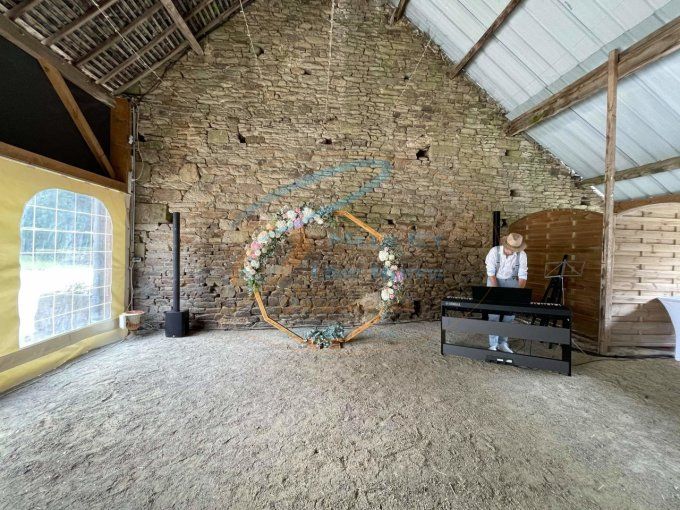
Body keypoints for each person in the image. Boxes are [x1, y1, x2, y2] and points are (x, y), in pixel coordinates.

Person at [484, 233, 528, 353]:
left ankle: (503, 343)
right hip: (495, 280)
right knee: (494, 314)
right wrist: (496, 291)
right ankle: (493, 344)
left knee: (509, 315)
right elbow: (491, 273)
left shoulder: (522, 255)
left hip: (512, 283)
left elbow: (523, 276)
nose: (511, 251)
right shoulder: (494, 252)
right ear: (505, 244)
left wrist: (517, 294)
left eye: (515, 249)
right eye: (510, 248)